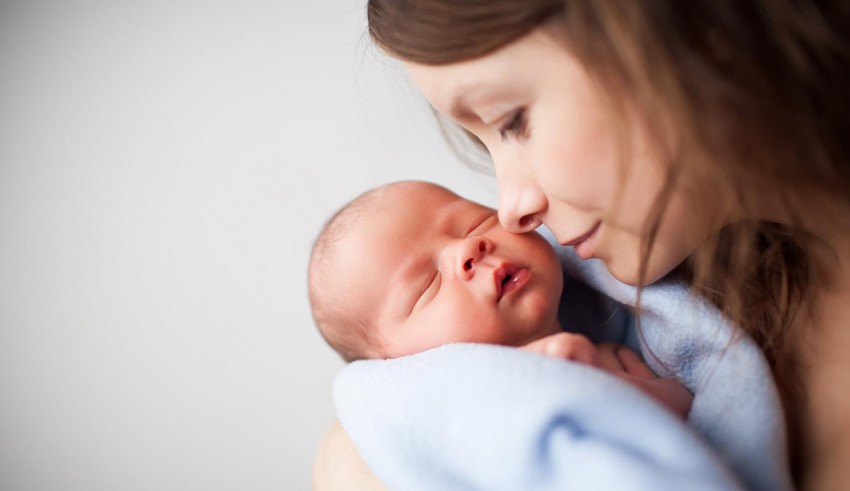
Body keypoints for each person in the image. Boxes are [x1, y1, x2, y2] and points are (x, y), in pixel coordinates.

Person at [324, 1, 849, 490]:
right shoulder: (722, 294)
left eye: (513, 120)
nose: (510, 210)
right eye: (426, 285)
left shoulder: (660, 342)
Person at [308, 180, 693, 416]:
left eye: (474, 222)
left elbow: (684, 407)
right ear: (401, 367)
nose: (469, 248)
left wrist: (608, 386)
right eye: (427, 284)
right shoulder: (457, 417)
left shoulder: (608, 356)